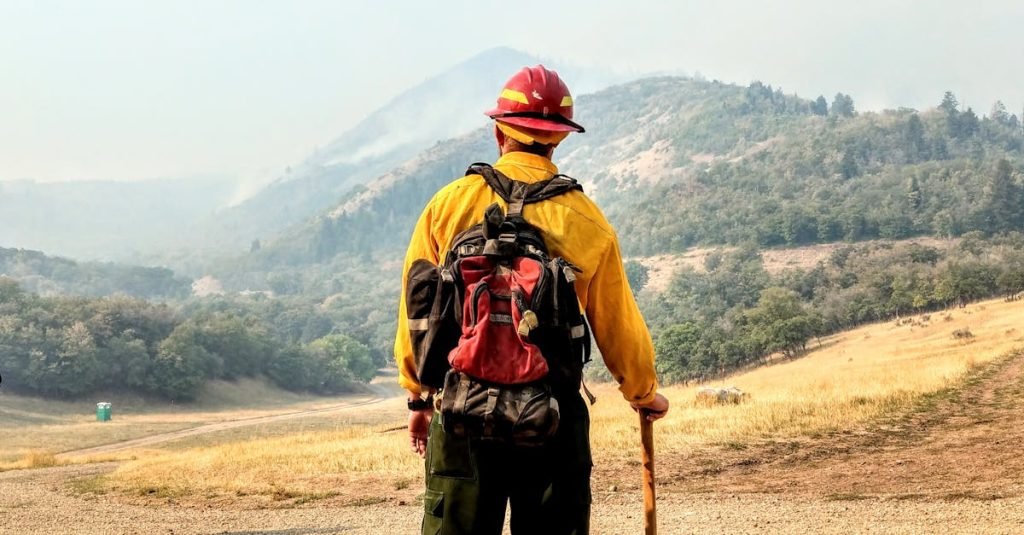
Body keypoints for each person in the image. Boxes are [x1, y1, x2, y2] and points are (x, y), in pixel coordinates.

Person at [393, 65, 669, 535]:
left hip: (461, 409)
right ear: (558, 139)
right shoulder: (586, 220)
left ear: (499, 132)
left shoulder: (448, 204)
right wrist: (642, 393)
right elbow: (617, 324)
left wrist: (418, 398)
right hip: (551, 417)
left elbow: (416, 309)